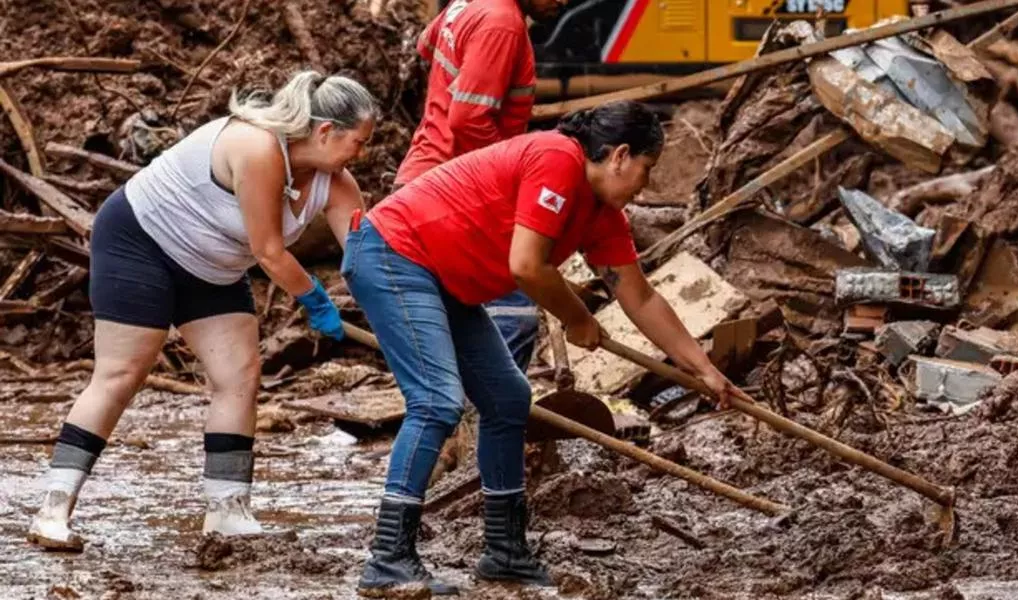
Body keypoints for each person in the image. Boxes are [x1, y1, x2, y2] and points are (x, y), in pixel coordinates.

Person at [345, 100, 746, 597]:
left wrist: (704, 368)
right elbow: (527, 266)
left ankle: (504, 551)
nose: (645, 185)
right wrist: (577, 318)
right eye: (647, 168)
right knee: (436, 401)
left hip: (444, 279)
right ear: (620, 155)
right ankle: (388, 558)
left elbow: (640, 297)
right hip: (394, 254)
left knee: (508, 399)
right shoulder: (557, 158)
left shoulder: (602, 215)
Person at [26, 71, 378, 552]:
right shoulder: (258, 148)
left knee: (240, 376)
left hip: (212, 265)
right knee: (121, 373)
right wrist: (315, 299)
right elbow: (269, 251)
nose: (362, 154)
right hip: (141, 242)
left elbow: (366, 256)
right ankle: (52, 509)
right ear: (325, 132)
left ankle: (227, 510)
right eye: (359, 142)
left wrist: (393, 312)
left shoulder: (336, 185)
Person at [396, 0, 568, 371]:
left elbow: (426, 44)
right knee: (512, 315)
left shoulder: (470, 5)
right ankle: (486, 406)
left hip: (424, 175)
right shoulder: (502, 23)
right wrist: (506, 177)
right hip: (457, 193)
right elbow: (468, 119)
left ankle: (461, 401)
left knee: (455, 322)